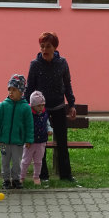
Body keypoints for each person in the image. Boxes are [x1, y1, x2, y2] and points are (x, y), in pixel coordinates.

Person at [26, 32, 76, 182]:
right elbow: (30, 88)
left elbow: (67, 84)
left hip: (59, 107)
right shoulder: (35, 64)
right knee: (40, 143)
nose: (44, 49)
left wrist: (71, 104)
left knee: (62, 142)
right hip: (41, 110)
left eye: (48, 46)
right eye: (42, 46)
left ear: (55, 47)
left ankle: (66, 175)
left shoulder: (62, 63)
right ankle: (43, 176)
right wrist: (26, 107)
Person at [0, 74, 34, 189]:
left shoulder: (26, 107)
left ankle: (16, 179)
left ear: (21, 91)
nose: (11, 92)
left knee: (17, 162)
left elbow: (29, 125)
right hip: (4, 141)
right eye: (9, 89)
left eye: (14, 90)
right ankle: (6, 180)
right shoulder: (3, 105)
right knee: (5, 161)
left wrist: (28, 139)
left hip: (18, 141)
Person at [21, 90, 53, 185]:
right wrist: (26, 139)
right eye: (38, 106)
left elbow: (47, 123)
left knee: (38, 161)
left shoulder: (44, 113)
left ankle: (36, 177)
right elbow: (24, 127)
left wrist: (49, 129)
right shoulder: (28, 113)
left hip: (41, 141)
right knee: (25, 161)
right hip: (30, 142)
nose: (41, 108)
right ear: (32, 105)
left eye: (42, 105)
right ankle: (21, 177)